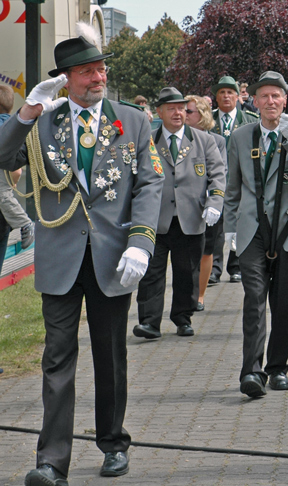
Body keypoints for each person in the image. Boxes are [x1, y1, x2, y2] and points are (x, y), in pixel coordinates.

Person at [0, 32, 164, 485]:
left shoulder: (132, 120)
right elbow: (2, 155)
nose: (98, 78)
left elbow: (150, 183)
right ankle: (52, 462)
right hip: (60, 258)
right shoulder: (44, 124)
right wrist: (28, 110)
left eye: (100, 70)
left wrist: (141, 241)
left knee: (111, 356)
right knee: (57, 359)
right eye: (87, 72)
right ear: (66, 80)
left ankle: (113, 442)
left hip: (114, 256)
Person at [224, 71, 288, 397]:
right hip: (253, 229)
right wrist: (229, 230)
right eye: (264, 96)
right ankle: (251, 371)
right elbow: (232, 188)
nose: (271, 102)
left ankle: (278, 367)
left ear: (284, 99)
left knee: (285, 302)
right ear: (254, 101)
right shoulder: (239, 137)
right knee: (254, 299)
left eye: (277, 95)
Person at [132, 88, 225, 339]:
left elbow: (217, 174)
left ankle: (183, 317)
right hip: (155, 218)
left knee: (187, 272)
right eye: (171, 108)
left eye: (182, 108)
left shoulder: (204, 140)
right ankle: (150, 322)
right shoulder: (149, 141)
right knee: (152, 273)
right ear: (159, 112)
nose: (177, 113)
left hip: (191, 217)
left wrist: (215, 202)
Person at [210, 75, 259, 285]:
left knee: (239, 222)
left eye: (230, 92)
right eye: (222, 92)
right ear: (216, 97)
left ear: (238, 96)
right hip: (215, 181)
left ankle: (236, 266)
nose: (226, 96)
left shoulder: (249, 119)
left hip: (241, 179)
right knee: (215, 227)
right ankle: (214, 268)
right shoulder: (208, 120)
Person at [184, 94, 227, 312]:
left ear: (201, 115)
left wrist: (214, 201)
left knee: (206, 251)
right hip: (183, 206)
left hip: (208, 204)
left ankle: (199, 295)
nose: (183, 115)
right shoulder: (179, 137)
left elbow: (220, 172)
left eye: (189, 111)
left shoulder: (217, 141)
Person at [0, 85, 35, 264]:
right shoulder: (12, 122)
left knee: (2, 194)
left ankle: (24, 223)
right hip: (7, 180)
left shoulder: (2, 124)